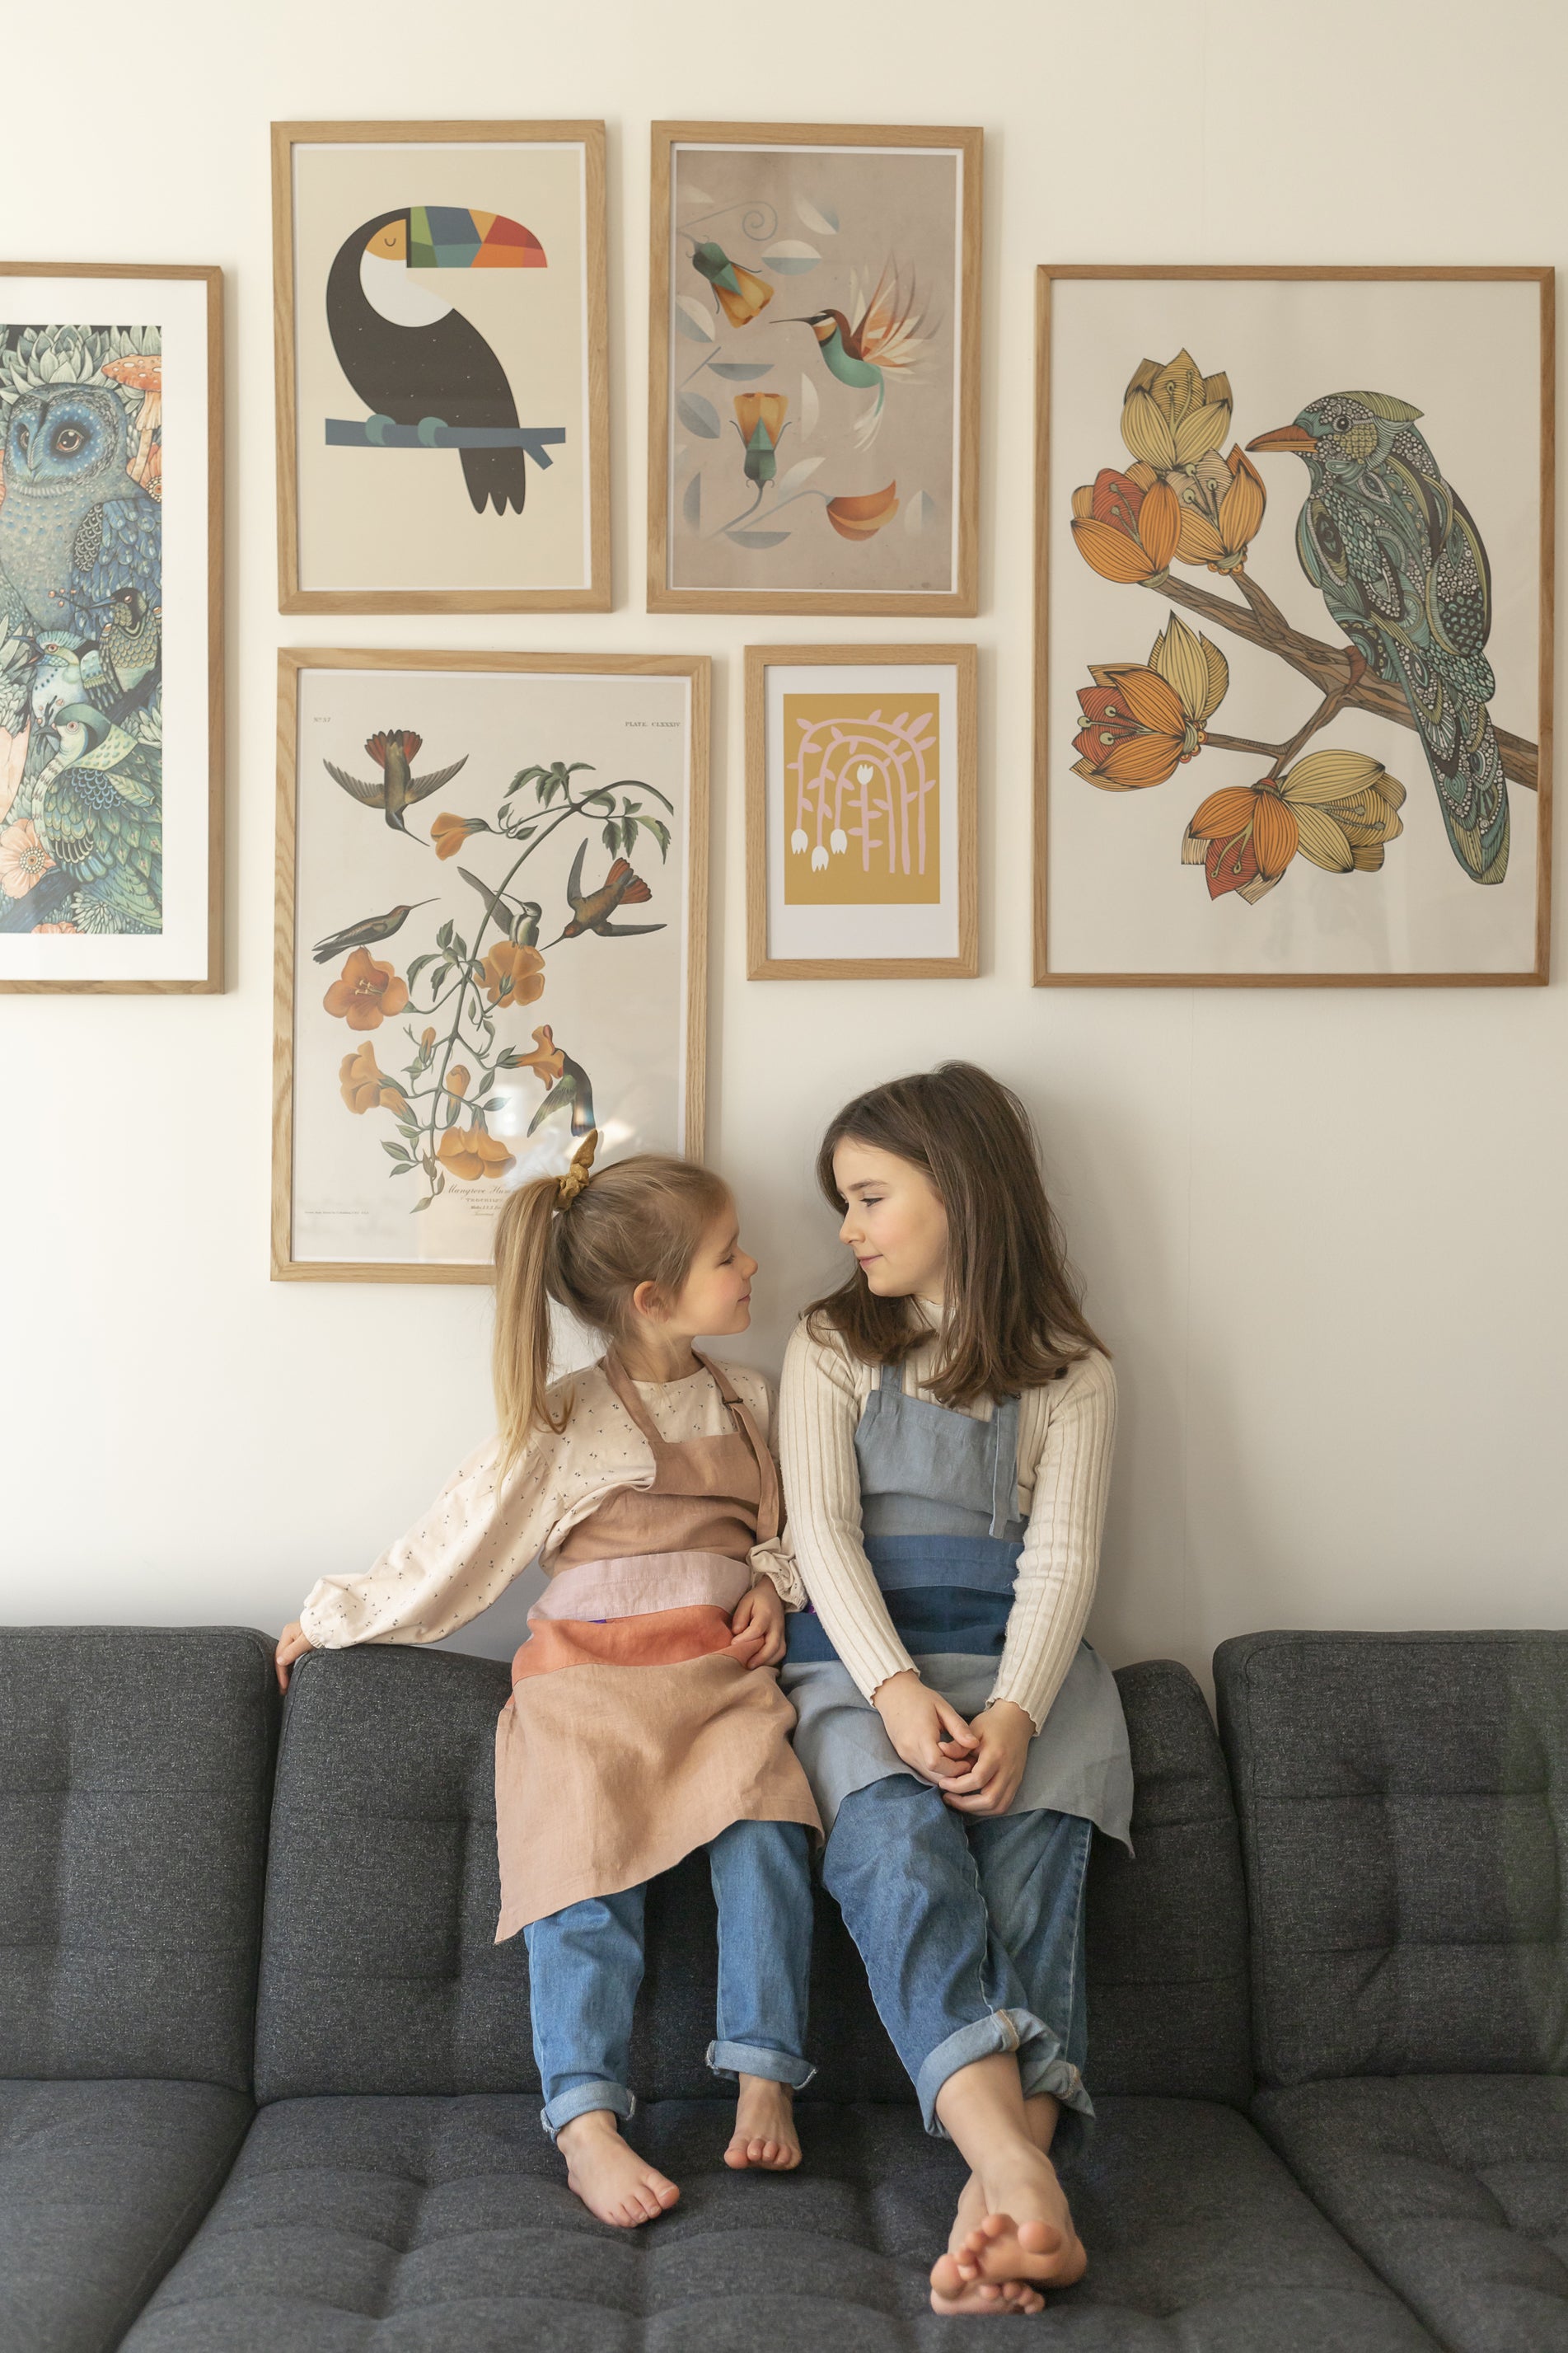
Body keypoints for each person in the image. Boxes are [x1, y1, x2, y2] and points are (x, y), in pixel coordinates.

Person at [276, 1132, 821, 2229]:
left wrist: (773, 1581)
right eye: (731, 1254)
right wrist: (337, 1617)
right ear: (655, 1296)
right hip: (586, 1691)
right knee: (582, 1886)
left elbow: (807, 1526)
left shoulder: (751, 1400)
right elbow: (459, 1545)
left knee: (770, 1836)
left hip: (716, 1683)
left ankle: (766, 2067)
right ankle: (584, 2118)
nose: (755, 1266)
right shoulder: (567, 1420)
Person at [779, 1063, 1132, 2318]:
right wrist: (890, 1689)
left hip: (1021, 1682)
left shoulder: (1072, 1372)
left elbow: (1067, 1559)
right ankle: (1027, 2179)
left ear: (963, 1192)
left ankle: (1005, 2209)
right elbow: (821, 1535)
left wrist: (1018, 1711)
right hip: (860, 1669)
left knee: (1030, 1888)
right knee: (898, 1852)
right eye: (845, 1202)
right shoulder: (829, 1345)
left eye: (869, 1196)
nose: (846, 1226)